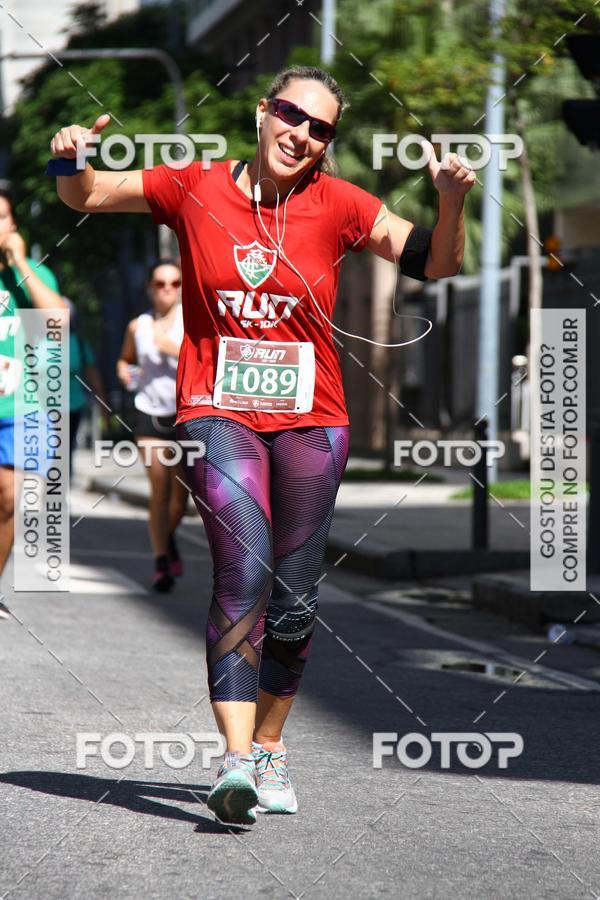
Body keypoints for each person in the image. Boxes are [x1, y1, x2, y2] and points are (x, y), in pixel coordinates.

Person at [50, 64, 475, 824]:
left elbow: (438, 262)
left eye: (320, 129)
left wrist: (451, 203)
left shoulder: (339, 203)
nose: (303, 135)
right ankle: (235, 761)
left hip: (313, 419)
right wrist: (69, 156)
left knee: (295, 597)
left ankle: (272, 743)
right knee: (242, 569)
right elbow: (86, 195)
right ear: (261, 112)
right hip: (217, 410)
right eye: (291, 115)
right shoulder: (193, 186)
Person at [0, 189, 66, 618]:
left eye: (2, 217)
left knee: (11, 498)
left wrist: (20, 263)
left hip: (21, 406)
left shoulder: (31, 277)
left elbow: (56, 318)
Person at [116, 260, 187, 592]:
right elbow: (125, 359)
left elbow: (211, 358)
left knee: (181, 499)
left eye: (174, 283)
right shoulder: (137, 326)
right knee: (159, 490)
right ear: (149, 287)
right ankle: (161, 562)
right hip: (149, 413)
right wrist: (122, 370)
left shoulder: (193, 322)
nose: (167, 290)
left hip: (186, 415)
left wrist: (171, 347)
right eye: (160, 284)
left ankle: (168, 538)